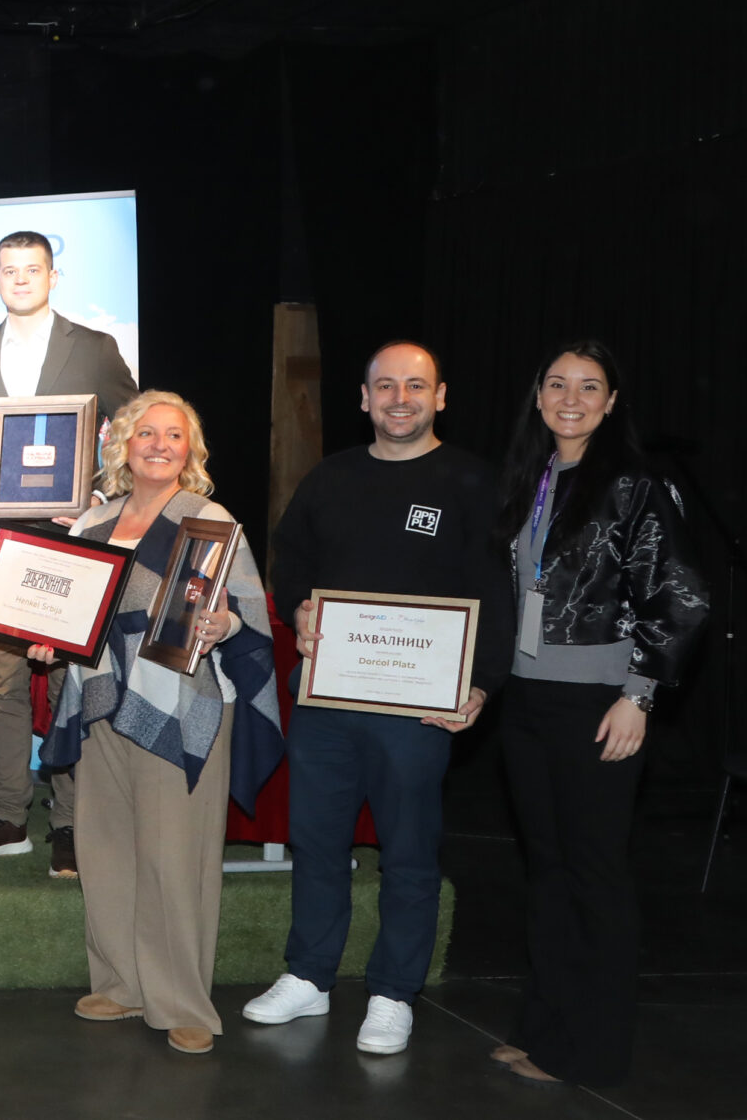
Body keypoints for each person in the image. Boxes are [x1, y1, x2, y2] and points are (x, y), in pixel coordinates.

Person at [242, 341, 513, 1054]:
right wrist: (298, 606)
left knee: (410, 851)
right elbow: (290, 560)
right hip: (328, 698)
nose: (400, 398)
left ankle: (394, 992)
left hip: (419, 706)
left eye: (415, 386)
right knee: (317, 842)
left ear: (440, 397)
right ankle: (310, 975)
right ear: (364, 399)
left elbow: (497, 591)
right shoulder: (330, 478)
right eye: (385, 386)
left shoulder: (473, 482)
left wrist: (482, 681)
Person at [485, 341, 705, 1087]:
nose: (570, 399)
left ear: (611, 403)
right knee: (547, 871)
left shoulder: (636, 485)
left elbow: (682, 597)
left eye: (588, 387)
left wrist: (638, 695)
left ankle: (596, 1052)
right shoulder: (531, 476)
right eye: (557, 384)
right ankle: (546, 1034)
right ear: (538, 396)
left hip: (600, 704)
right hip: (527, 700)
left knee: (594, 875)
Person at [37, 392, 278, 1056]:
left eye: (174, 435)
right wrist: (48, 638)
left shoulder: (209, 521)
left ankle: (182, 1002)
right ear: (124, 443)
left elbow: (247, 613)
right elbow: (70, 611)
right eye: (147, 432)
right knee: (106, 849)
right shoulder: (94, 521)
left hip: (180, 702)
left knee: (176, 858)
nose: (160, 445)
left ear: (189, 449)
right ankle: (121, 984)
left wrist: (225, 624)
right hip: (101, 701)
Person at [0, 230, 139, 875]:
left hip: (73, 541)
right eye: (9, 270)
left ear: (53, 277)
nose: (20, 279)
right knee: (0, 686)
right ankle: (8, 816)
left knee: (70, 683)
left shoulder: (95, 348)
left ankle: (72, 822)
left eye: (32, 269)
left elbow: (135, 427)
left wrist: (98, 497)